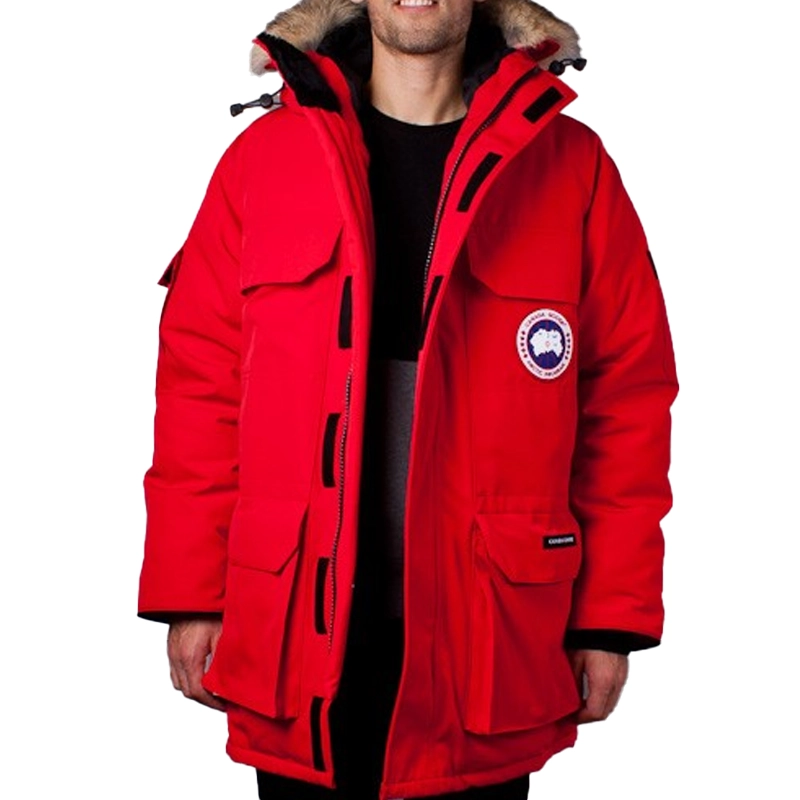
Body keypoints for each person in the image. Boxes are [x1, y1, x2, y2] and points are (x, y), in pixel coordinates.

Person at [137, 1, 679, 798]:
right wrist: (191, 595)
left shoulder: (570, 167)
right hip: (291, 626)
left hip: (489, 639)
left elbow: (625, 400)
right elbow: (200, 387)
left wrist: (609, 616)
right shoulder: (263, 160)